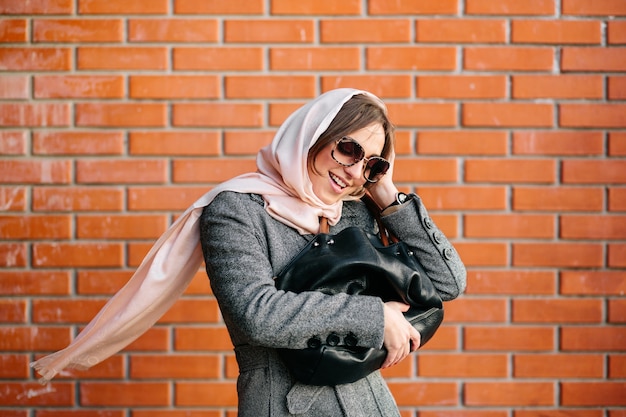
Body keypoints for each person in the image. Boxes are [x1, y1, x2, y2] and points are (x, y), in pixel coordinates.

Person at [31, 88, 466, 417]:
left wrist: (388, 197)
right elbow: (255, 313)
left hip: (370, 405)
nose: (353, 171)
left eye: (371, 163)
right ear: (313, 135)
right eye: (348, 149)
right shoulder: (236, 208)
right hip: (283, 405)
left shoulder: (355, 213)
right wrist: (376, 318)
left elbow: (447, 283)